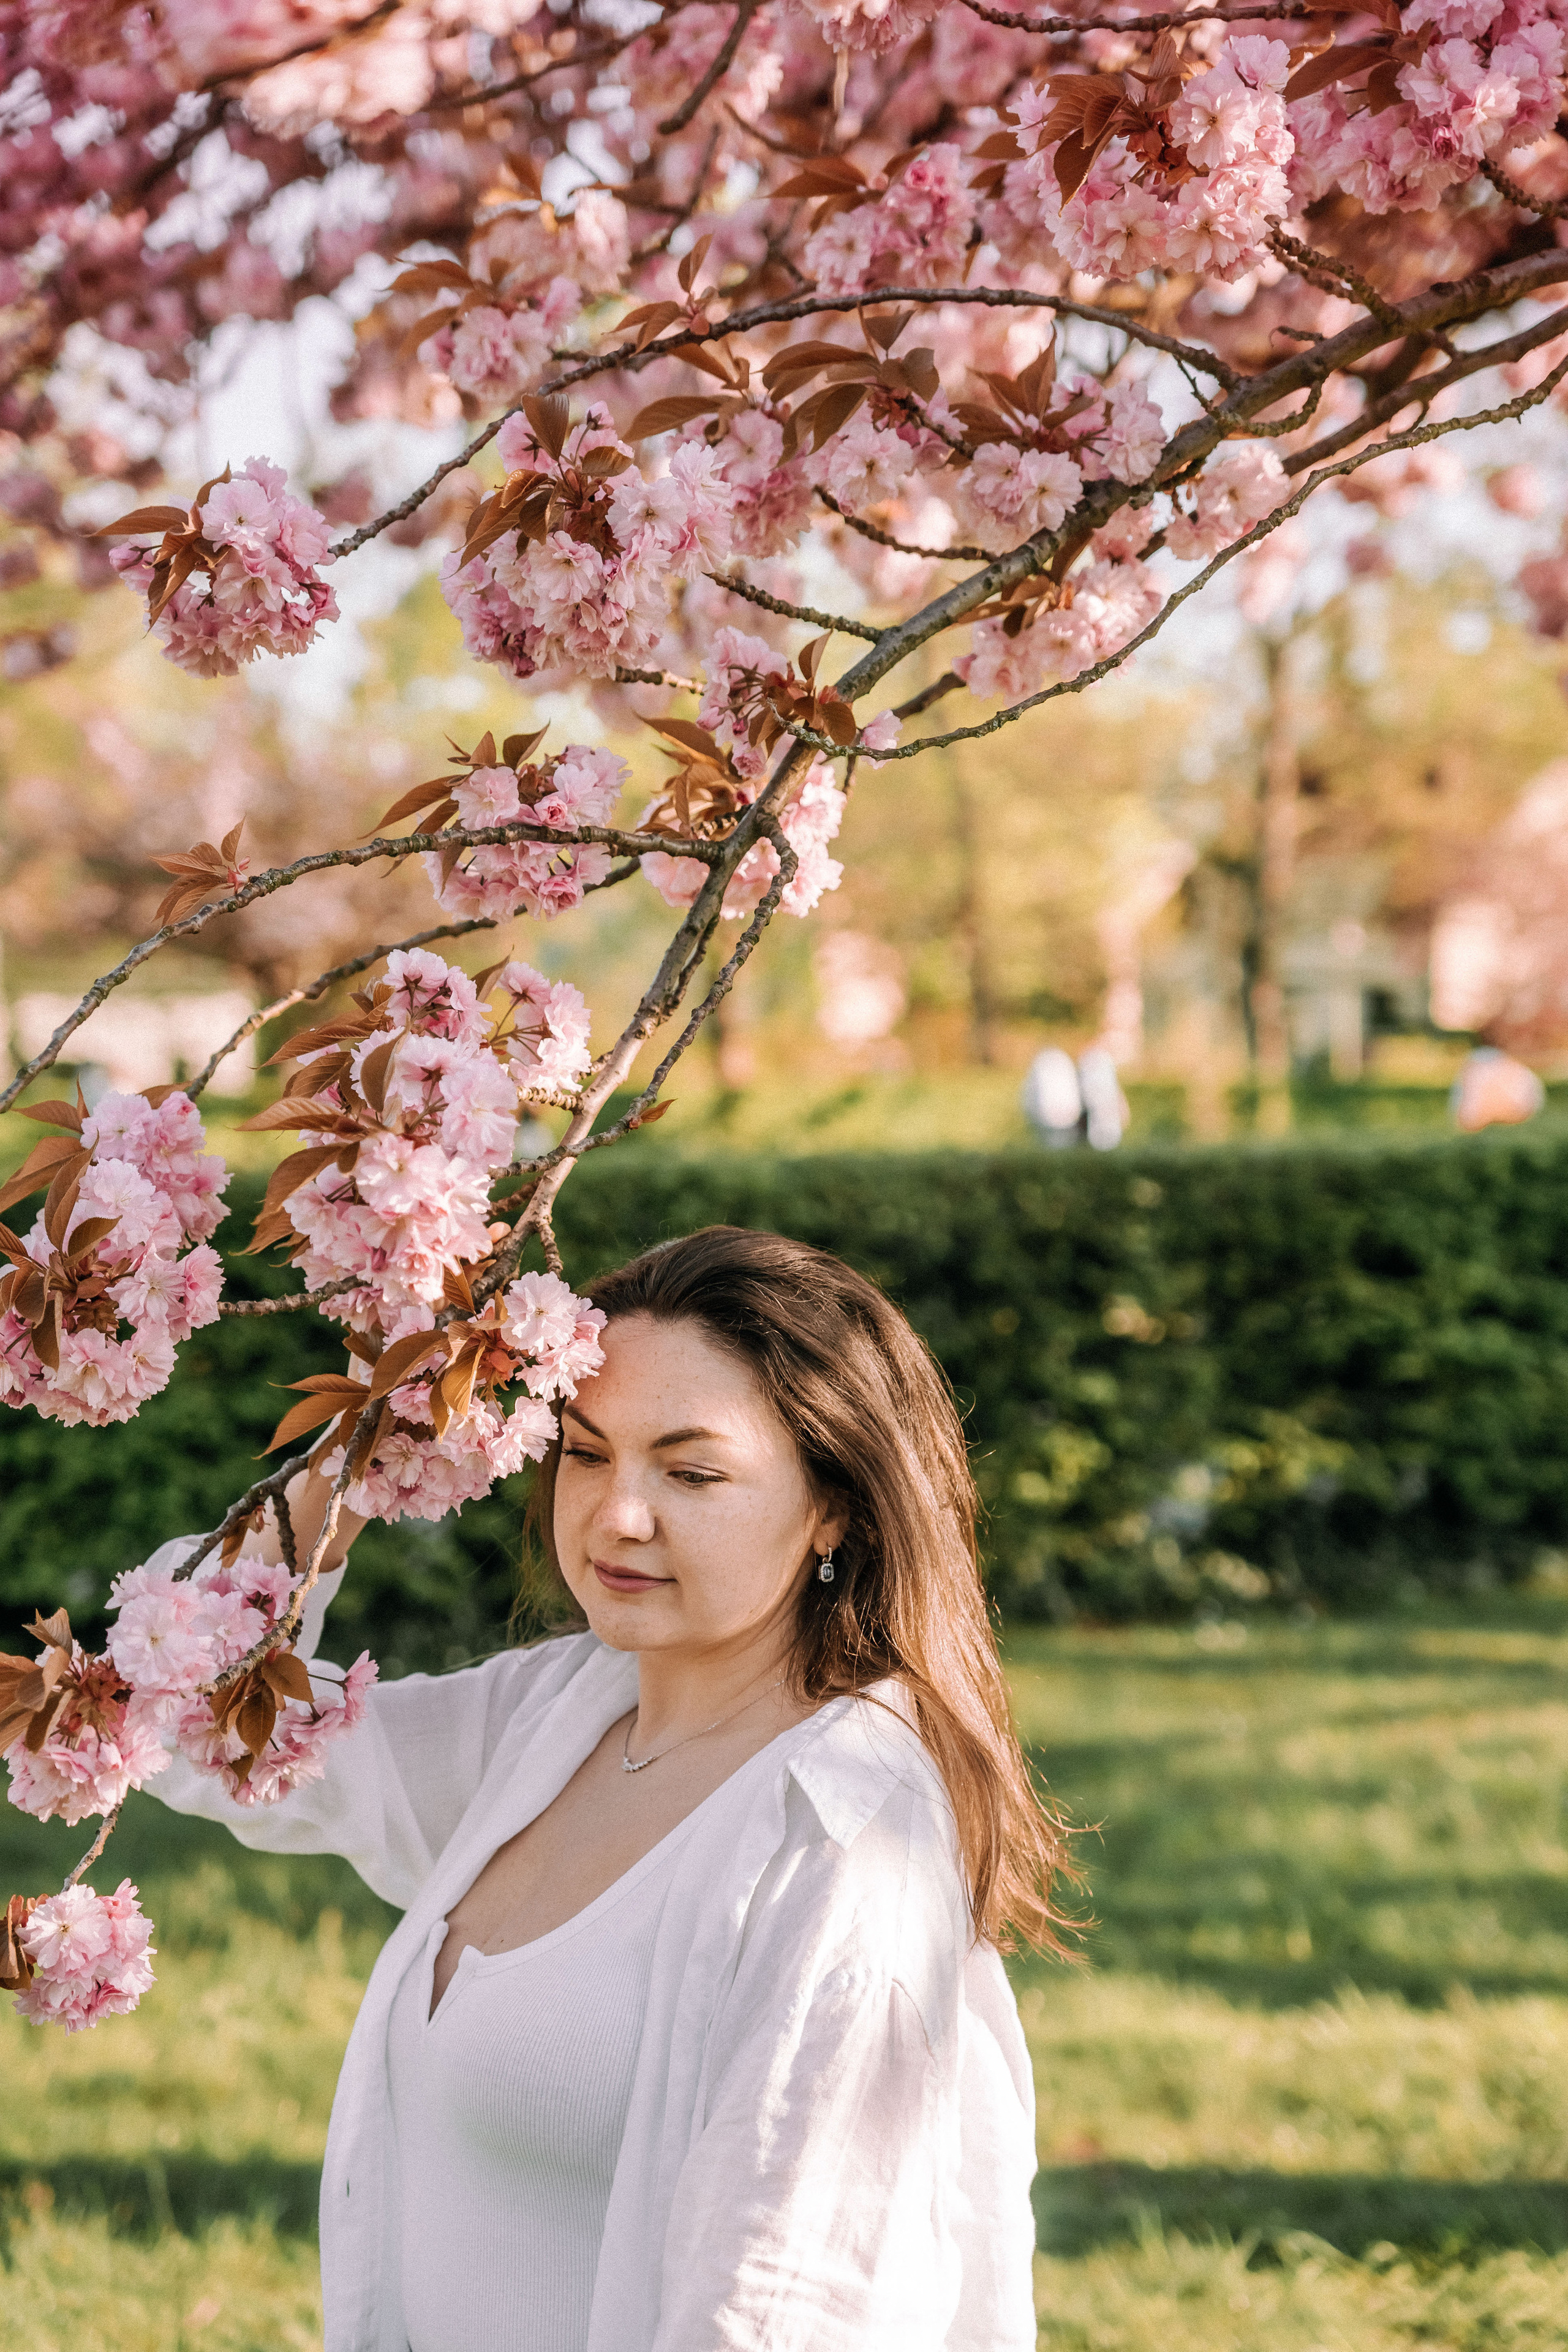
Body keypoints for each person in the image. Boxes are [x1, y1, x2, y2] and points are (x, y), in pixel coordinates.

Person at [145, 1226, 1068, 2352]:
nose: (618, 1516)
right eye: (585, 1454)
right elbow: (186, 1723)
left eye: (691, 1472)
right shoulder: (560, 1717)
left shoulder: (841, 1833)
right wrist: (356, 1460)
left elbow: (787, 2307)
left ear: (836, 1505)